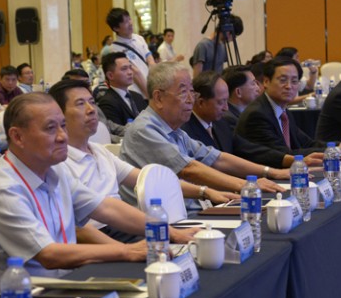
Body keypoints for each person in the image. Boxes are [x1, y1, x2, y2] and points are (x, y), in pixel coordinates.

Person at [0, 93, 196, 298]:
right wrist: (127, 251)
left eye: (63, 126)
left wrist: (171, 233)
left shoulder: (54, 169)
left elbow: (106, 208)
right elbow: (49, 255)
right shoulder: (4, 188)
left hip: (54, 287)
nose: (62, 137)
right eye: (50, 128)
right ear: (17, 136)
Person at [52, 78, 232, 240]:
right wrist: (127, 251)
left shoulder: (100, 152)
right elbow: (82, 227)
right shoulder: (59, 164)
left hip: (124, 226)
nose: (92, 110)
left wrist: (205, 191)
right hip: (100, 236)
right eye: (80, 104)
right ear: (59, 116)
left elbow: (155, 181)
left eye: (92, 102)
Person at [121, 62, 284, 213]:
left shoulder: (175, 130)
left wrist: (272, 172)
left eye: (191, 91)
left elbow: (217, 158)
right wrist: (247, 185)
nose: (190, 100)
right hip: (159, 222)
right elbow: (189, 169)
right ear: (158, 98)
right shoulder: (144, 130)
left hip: (189, 212)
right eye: (183, 92)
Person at [181, 71, 320, 171]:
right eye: (221, 102)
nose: (226, 108)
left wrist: (295, 160)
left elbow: (251, 150)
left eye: (226, 101)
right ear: (200, 102)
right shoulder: (185, 131)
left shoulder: (220, 122)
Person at [235, 58, 326, 156]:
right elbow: (282, 154)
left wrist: (334, 148)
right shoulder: (257, 115)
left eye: (294, 81)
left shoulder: (283, 111)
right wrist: (329, 151)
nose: (289, 86)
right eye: (283, 80)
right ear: (266, 82)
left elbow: (307, 143)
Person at [104, 7, 154, 96]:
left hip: (150, 86)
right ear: (116, 28)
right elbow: (135, 73)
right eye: (125, 22)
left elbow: (150, 60)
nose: (130, 23)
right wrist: (150, 96)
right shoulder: (115, 49)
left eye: (129, 19)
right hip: (138, 92)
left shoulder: (139, 38)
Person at [97, 52, 148, 125]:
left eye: (130, 68)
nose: (130, 72)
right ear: (110, 75)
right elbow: (116, 131)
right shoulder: (107, 102)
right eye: (124, 69)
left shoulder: (137, 96)